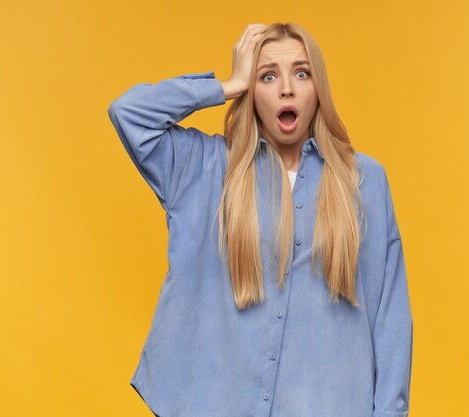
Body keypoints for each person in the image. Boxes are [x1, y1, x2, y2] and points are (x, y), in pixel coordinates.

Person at [108, 22, 413, 417]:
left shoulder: (364, 182)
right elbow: (129, 114)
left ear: (317, 87)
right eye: (267, 76)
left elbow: (390, 319)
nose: (286, 88)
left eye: (301, 73)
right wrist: (227, 84)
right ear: (252, 92)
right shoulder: (203, 170)